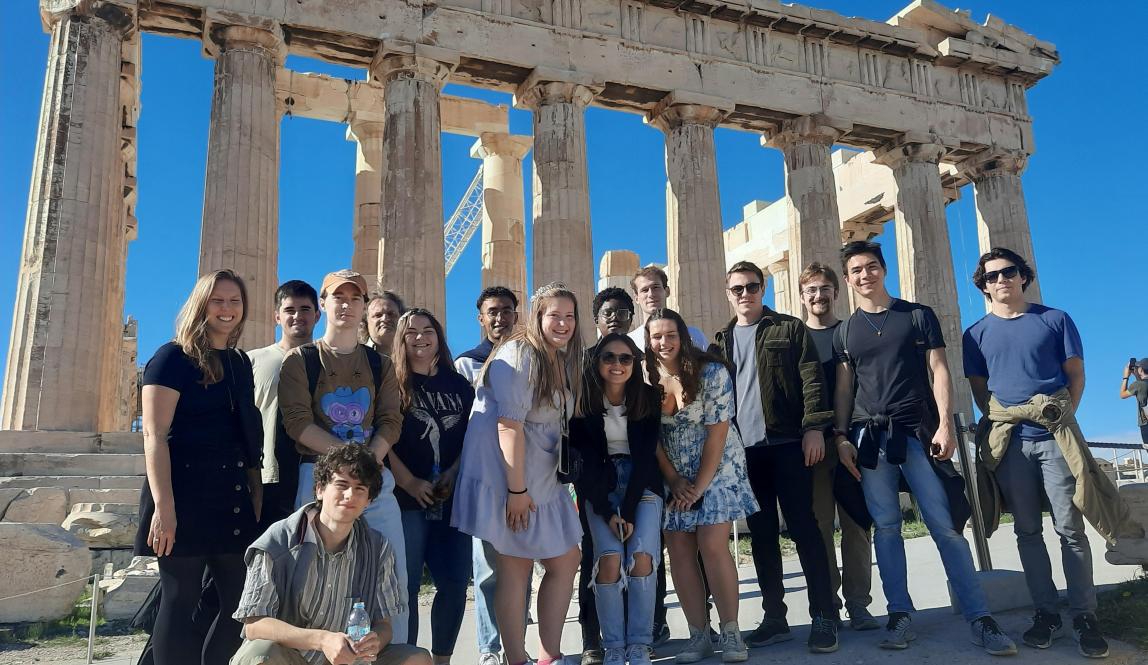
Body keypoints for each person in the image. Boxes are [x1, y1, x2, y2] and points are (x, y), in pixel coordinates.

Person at [831, 241, 1016, 656]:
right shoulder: (846, 330)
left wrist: (946, 425)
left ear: (884, 269)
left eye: (872, 267)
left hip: (917, 431)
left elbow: (939, 370)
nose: (865, 275)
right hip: (870, 437)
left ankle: (979, 617)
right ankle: (899, 614)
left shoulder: (916, 315)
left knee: (944, 525)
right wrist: (841, 437)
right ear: (848, 279)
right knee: (887, 527)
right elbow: (845, 387)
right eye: (857, 270)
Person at [966, 247, 1143, 658]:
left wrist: (1059, 420)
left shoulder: (1054, 319)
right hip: (1010, 443)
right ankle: (1046, 613)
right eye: (992, 276)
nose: (1001, 280)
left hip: (1053, 438)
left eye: (1009, 272)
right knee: (1026, 530)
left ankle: (1085, 615)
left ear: (1023, 277)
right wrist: (1006, 418)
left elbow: (1075, 376)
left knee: (1070, 529)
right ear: (984, 286)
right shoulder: (974, 334)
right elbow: (980, 387)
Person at [452, 282, 585, 665]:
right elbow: (507, 426)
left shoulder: (557, 356)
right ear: (537, 316)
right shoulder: (520, 353)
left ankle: (545, 657)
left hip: (542, 473)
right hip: (512, 475)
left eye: (569, 316)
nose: (562, 323)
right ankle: (521, 659)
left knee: (561, 560)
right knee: (518, 567)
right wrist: (516, 491)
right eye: (553, 315)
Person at [710, 261, 840, 653]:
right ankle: (774, 617)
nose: (745, 294)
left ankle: (824, 615)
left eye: (751, 287)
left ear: (762, 288)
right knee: (762, 536)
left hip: (786, 442)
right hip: (744, 452)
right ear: (729, 293)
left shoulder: (788, 328)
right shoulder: (721, 340)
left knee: (804, 527)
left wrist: (814, 427)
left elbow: (812, 378)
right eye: (738, 289)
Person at [135, 269, 263, 665]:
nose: (227, 309)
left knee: (241, 601)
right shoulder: (172, 358)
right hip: (183, 492)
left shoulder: (240, 363)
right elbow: (154, 435)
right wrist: (164, 508)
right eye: (218, 300)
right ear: (201, 305)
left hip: (230, 494)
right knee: (180, 596)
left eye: (234, 301)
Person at [279, 270, 409, 643]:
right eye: (339, 298)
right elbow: (298, 424)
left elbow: (390, 419)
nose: (347, 306)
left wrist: (366, 466)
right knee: (316, 580)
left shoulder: (380, 365)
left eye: (355, 299)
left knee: (391, 577)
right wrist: (353, 463)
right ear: (323, 304)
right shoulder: (299, 361)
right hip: (319, 481)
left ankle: (391, 653)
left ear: (364, 308)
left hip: (374, 479)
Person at [231, 444, 431, 665]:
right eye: (341, 485)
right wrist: (322, 639)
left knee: (417, 659)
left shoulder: (378, 548)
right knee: (260, 654)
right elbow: (254, 625)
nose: (349, 495)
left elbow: (384, 624)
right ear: (319, 489)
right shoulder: (278, 542)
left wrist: (376, 640)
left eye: (360, 489)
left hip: (350, 660)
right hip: (293, 657)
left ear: (368, 502)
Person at [648, 308, 757, 664]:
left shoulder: (711, 372)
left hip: (718, 466)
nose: (664, 343)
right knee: (678, 550)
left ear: (683, 337)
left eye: (670, 335)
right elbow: (650, 438)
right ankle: (698, 635)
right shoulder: (645, 379)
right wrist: (675, 480)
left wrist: (699, 485)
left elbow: (718, 431)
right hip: (674, 472)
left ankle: (731, 631)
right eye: (656, 337)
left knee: (711, 544)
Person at [387, 309, 475, 661]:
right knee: (405, 587)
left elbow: (473, 436)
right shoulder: (391, 383)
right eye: (411, 332)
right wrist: (407, 481)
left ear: (439, 337)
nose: (420, 337)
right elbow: (383, 436)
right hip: (405, 499)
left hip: (450, 498)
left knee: (454, 584)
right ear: (401, 339)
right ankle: (408, 659)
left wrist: (453, 473)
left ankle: (442, 659)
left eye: (428, 331)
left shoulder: (459, 386)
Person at [570, 333, 663, 665]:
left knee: (641, 559)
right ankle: (613, 648)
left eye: (626, 358)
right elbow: (587, 464)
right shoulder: (582, 403)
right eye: (609, 357)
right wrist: (610, 511)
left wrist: (627, 509)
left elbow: (645, 460)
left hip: (643, 486)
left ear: (634, 364)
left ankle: (639, 645)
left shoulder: (650, 398)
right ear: (597, 362)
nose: (617, 364)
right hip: (599, 486)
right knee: (607, 560)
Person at [797, 263, 879, 631]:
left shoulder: (850, 334)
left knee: (858, 525)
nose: (818, 296)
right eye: (811, 290)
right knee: (819, 526)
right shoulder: (795, 338)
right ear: (802, 296)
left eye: (824, 289)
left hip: (853, 441)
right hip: (811, 446)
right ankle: (828, 603)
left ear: (836, 292)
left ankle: (859, 605)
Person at [453, 286, 524, 665]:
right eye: (493, 312)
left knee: (520, 564)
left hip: (524, 477)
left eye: (507, 311)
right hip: (482, 477)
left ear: (517, 315)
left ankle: (517, 643)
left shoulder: (529, 361)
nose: (500, 318)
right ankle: (489, 649)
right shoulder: (467, 365)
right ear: (480, 318)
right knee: (486, 569)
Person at [579, 286, 639, 665]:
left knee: (642, 552)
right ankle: (592, 640)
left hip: (636, 469)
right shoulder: (582, 364)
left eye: (621, 312)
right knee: (595, 556)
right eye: (607, 313)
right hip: (594, 470)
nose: (615, 318)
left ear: (631, 318)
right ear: (596, 319)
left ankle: (644, 631)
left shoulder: (639, 359)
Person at [249, 280, 321, 528]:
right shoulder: (253, 361)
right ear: (277, 317)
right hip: (267, 475)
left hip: (316, 476)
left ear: (318, 315)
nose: (298, 316)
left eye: (305, 309)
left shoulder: (330, 363)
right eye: (290, 310)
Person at [629, 266, 708, 350]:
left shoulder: (694, 336)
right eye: (645, 290)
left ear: (667, 291)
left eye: (655, 287)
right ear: (636, 298)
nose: (651, 294)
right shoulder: (631, 341)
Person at [1120, 358, 1148, 445]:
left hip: (1145, 423)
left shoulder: (1138, 385)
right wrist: (1137, 375)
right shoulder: (1140, 385)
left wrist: (1126, 377)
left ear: (1141, 370)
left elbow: (1122, 394)